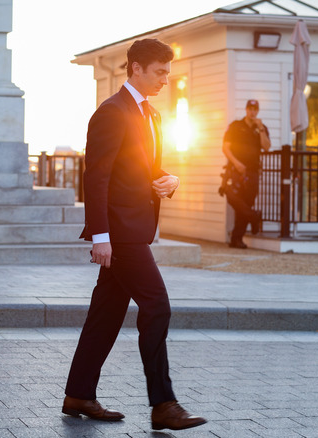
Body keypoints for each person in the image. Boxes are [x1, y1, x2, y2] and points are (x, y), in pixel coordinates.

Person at [62, 38, 207, 431]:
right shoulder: (111, 113)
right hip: (121, 233)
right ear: (136, 68)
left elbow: (148, 170)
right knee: (157, 306)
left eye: (167, 71)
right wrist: (100, 236)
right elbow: (97, 178)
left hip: (136, 229)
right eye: (159, 71)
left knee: (105, 315)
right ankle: (163, 404)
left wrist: (169, 180)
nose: (166, 79)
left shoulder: (152, 116)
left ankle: (78, 393)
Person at [222, 99, 271, 248]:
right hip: (235, 171)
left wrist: (261, 129)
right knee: (233, 198)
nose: (253, 112)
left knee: (246, 203)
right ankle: (254, 216)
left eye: (255, 109)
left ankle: (236, 239)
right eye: (250, 109)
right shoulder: (236, 126)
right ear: (246, 110)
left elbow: (267, 147)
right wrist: (237, 163)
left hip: (253, 171)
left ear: (258, 111)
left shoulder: (261, 128)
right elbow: (226, 147)